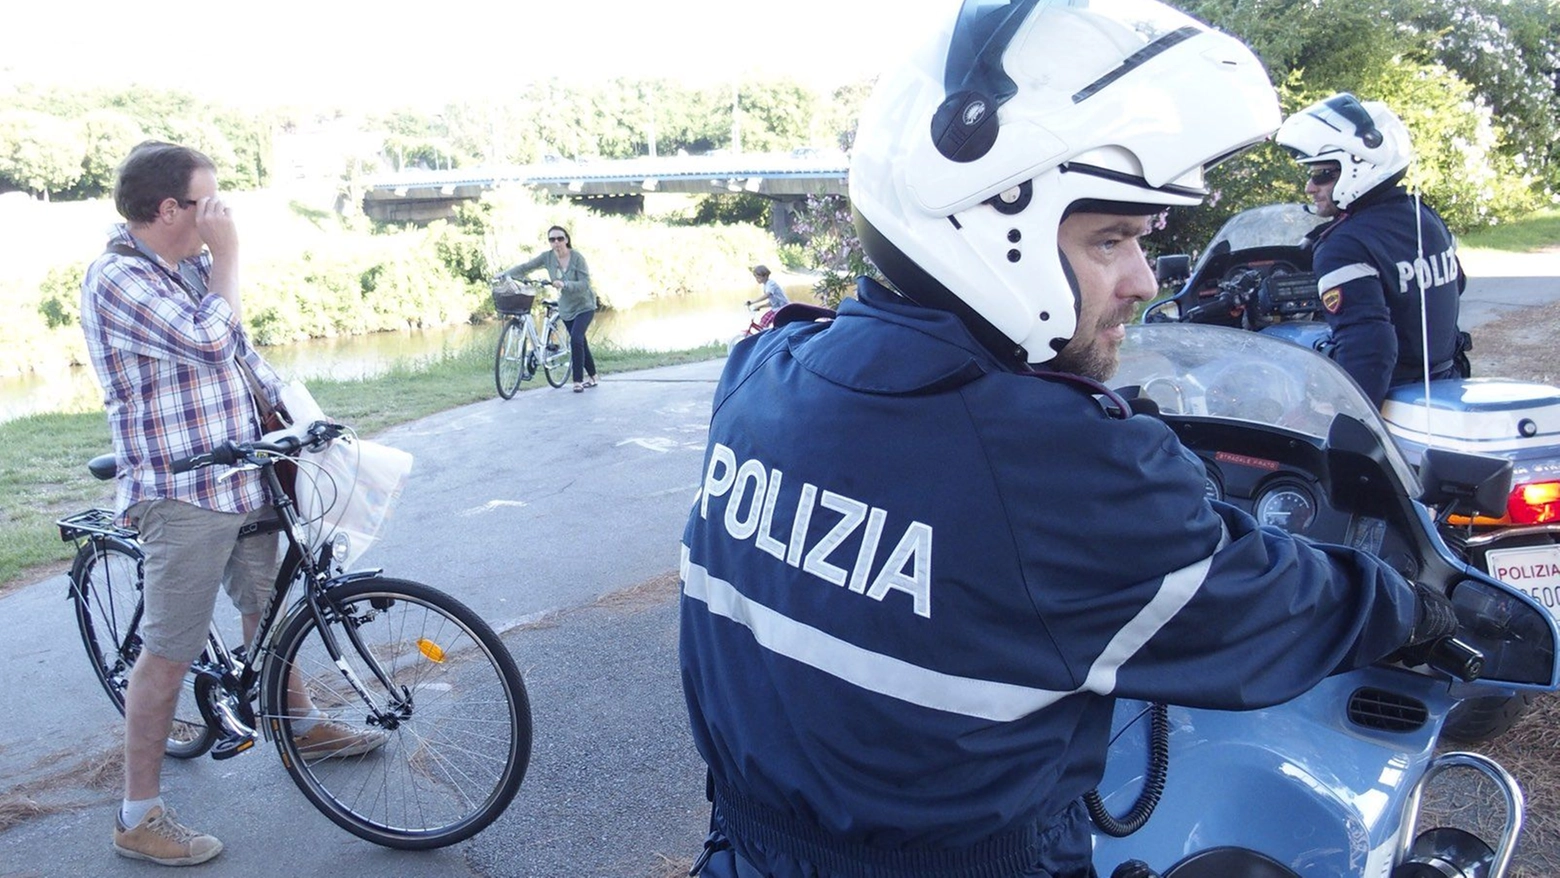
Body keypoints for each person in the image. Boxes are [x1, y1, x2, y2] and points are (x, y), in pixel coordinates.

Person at [677, 3, 1456, 877]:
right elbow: (1278, 608)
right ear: (990, 230)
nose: (1141, 281)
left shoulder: (764, 370)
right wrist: (1420, 606)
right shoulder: (1065, 469)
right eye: (1111, 239)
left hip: (743, 854)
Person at [80, 141, 386, 867]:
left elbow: (244, 356)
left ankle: (298, 722)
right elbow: (210, 342)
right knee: (168, 652)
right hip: (182, 491)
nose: (219, 213)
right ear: (167, 209)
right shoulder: (117, 279)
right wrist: (231, 257)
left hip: (241, 471)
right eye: (206, 201)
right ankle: (138, 815)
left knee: (268, 608)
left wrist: (301, 417)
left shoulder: (186, 269)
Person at [1275, 93, 1468, 408]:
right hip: (1443, 382)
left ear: (1359, 167)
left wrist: (1339, 426)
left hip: (1392, 396)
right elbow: (1455, 285)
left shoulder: (1343, 246)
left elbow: (1369, 351)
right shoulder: (1422, 215)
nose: (1310, 187)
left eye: (1322, 174)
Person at [498, 225, 599, 392]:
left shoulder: (577, 258)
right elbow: (526, 267)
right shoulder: (547, 257)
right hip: (566, 308)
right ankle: (594, 376)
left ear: (566, 239)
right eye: (552, 239)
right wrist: (505, 274)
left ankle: (578, 381)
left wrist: (565, 284)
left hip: (584, 305)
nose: (556, 242)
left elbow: (584, 283)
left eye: (560, 238)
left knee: (575, 338)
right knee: (580, 341)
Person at [746, 264, 789, 329]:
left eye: (758, 277)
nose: (757, 279)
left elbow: (767, 295)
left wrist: (752, 302)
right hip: (776, 309)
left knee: (766, 324)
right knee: (763, 321)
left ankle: (766, 336)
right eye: (756, 278)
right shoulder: (766, 286)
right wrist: (760, 306)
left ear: (765, 276)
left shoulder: (771, 284)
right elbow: (771, 303)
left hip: (782, 308)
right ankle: (763, 334)